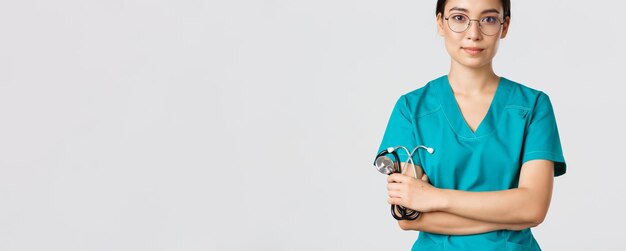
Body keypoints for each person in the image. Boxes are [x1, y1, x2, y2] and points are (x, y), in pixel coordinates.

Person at [376, 0, 566, 250]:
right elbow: (408, 216)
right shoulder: (412, 109)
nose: (473, 34)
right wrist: (507, 216)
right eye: (459, 18)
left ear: (504, 26)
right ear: (440, 23)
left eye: (488, 19)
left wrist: (434, 197)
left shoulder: (533, 106)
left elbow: (532, 208)